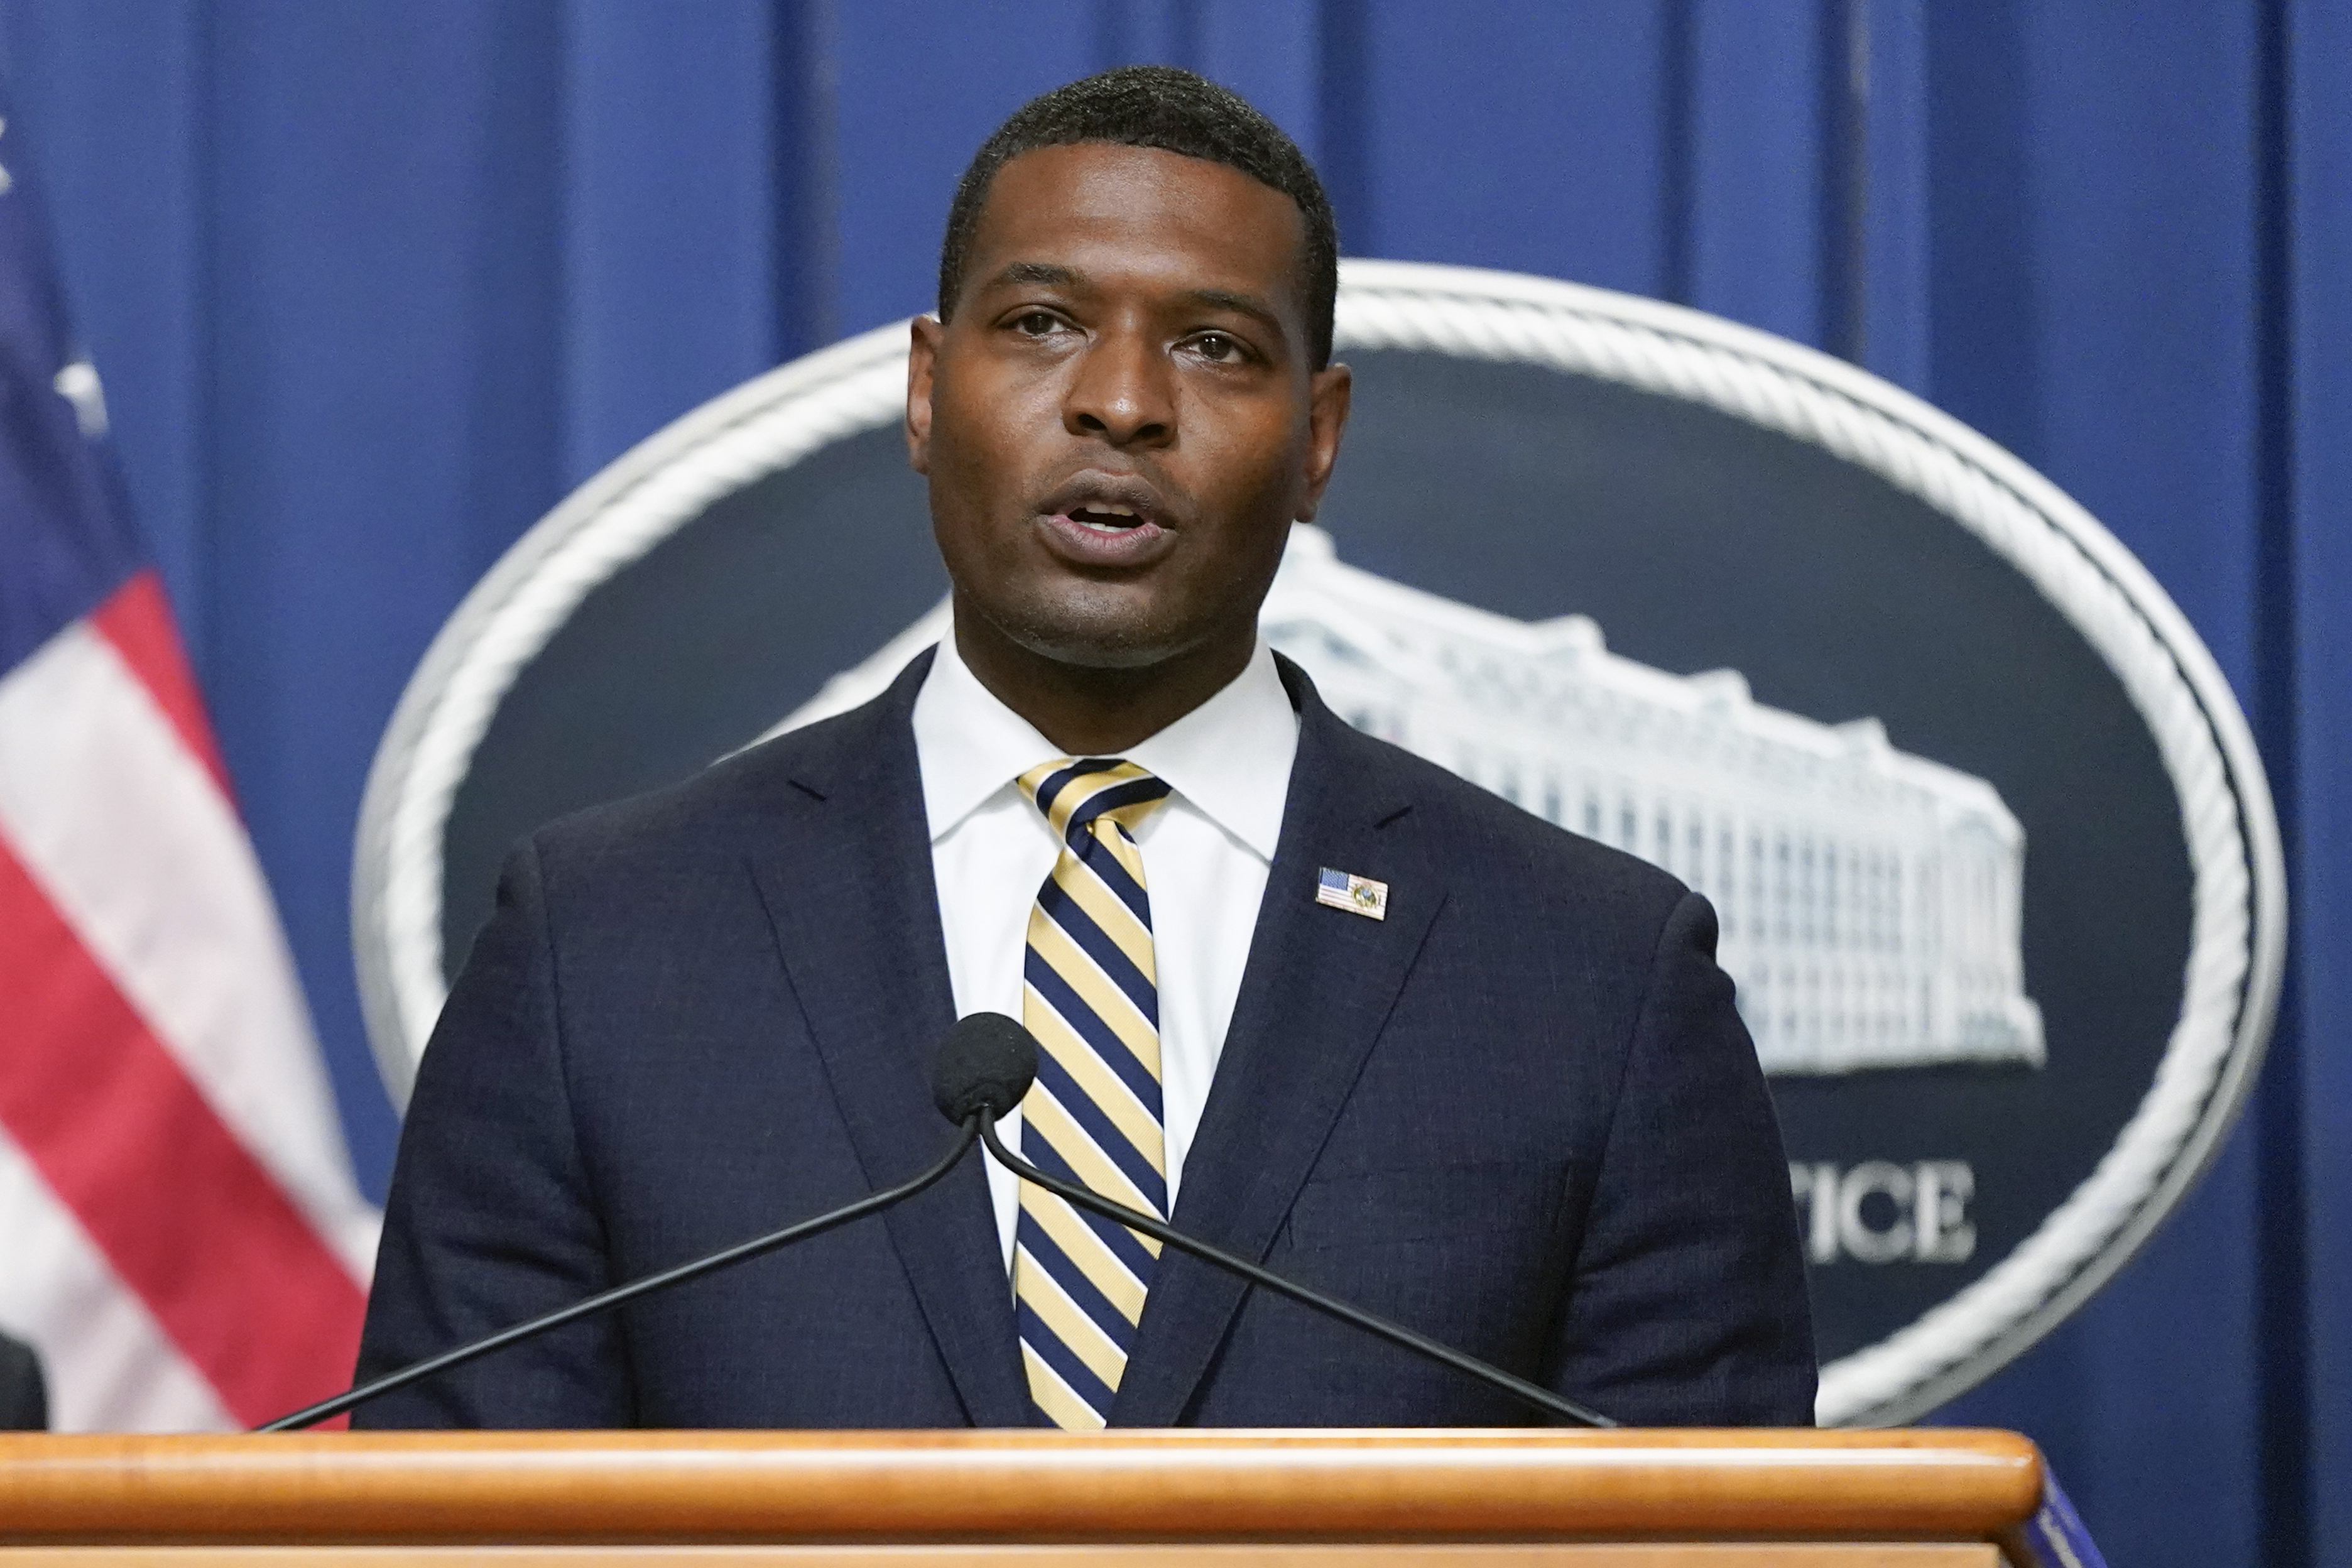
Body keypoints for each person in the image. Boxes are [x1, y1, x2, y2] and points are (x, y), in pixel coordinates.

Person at [354, 65, 1814, 1430]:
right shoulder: (599, 949)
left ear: (1318, 438)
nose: (1121, 400)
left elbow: (1717, 1529)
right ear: (927, 392)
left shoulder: (1594, 980)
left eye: (1215, 346)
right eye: (1043, 323)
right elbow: (449, 1519)